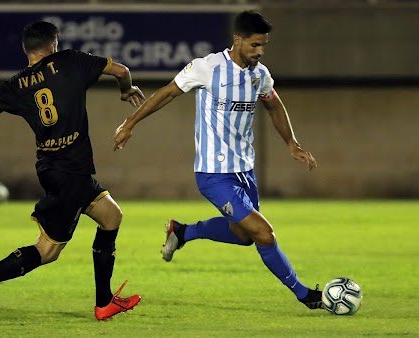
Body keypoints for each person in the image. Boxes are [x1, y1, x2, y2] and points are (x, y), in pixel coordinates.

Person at [113, 10, 324, 310]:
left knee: (244, 236)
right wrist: (131, 123)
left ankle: (183, 232)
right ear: (237, 40)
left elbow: (274, 104)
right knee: (264, 233)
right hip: (213, 174)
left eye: (263, 46)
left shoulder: (259, 75)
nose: (260, 52)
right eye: (254, 45)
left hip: (244, 171)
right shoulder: (207, 67)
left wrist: (291, 143)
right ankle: (305, 295)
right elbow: (168, 93)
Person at [0, 20, 145, 321]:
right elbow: (122, 71)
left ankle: (105, 301)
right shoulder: (70, 61)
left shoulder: (12, 85)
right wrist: (126, 90)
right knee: (47, 251)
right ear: (54, 45)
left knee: (111, 216)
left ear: (26, 49)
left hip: (52, 167)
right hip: (71, 172)